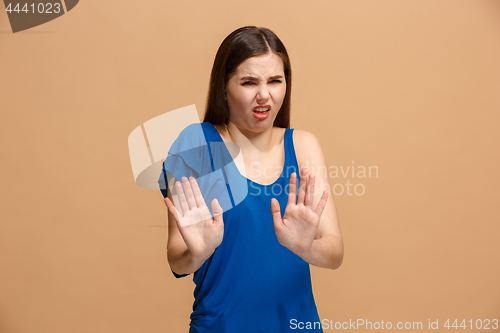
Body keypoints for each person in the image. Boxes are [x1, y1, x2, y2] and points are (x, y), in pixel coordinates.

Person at [158, 26, 343, 332]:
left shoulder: (304, 145)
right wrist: (198, 253)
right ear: (224, 86)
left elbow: (335, 252)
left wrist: (305, 247)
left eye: (275, 81)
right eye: (248, 82)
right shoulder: (195, 146)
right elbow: (176, 260)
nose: (264, 95)